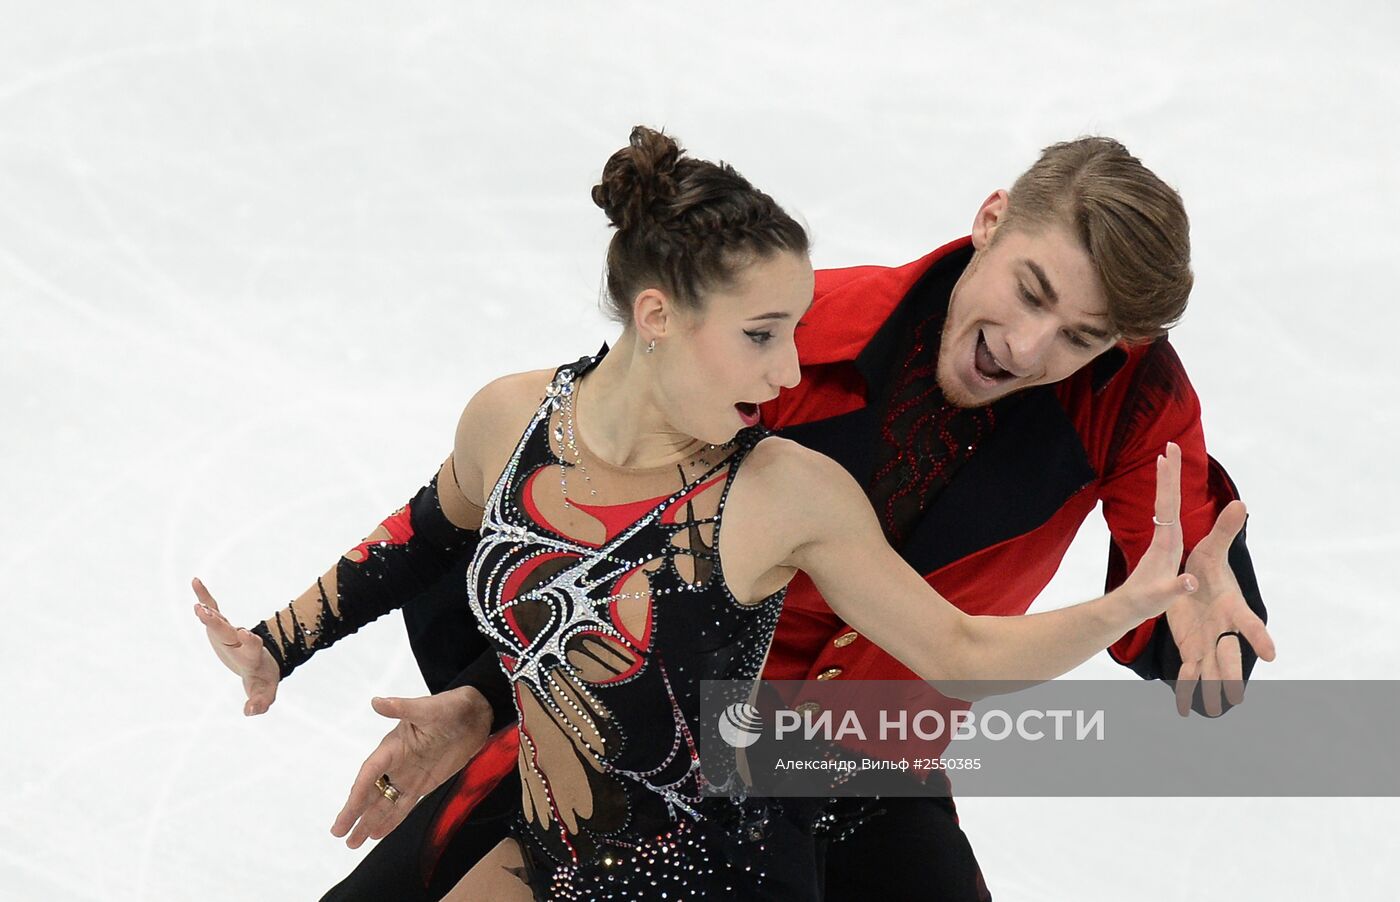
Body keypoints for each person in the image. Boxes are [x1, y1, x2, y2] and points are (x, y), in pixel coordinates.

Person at [194, 128, 1272, 900]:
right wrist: (482, 700)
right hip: (660, 743)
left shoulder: (1125, 398)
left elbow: (1179, 592)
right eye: (1030, 292)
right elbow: (578, 510)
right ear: (989, 221)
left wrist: (1203, 629)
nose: (1031, 350)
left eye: (1079, 335)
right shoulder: (785, 340)